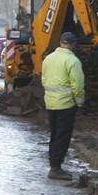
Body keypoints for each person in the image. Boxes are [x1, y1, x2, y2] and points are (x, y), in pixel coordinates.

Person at [41, 31, 86, 180]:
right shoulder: (72, 61)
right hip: (66, 104)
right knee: (62, 136)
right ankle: (56, 167)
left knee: (54, 134)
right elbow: (78, 85)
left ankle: (53, 164)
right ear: (73, 44)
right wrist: (79, 102)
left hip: (51, 102)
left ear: (60, 42)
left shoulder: (48, 59)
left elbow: (44, 79)